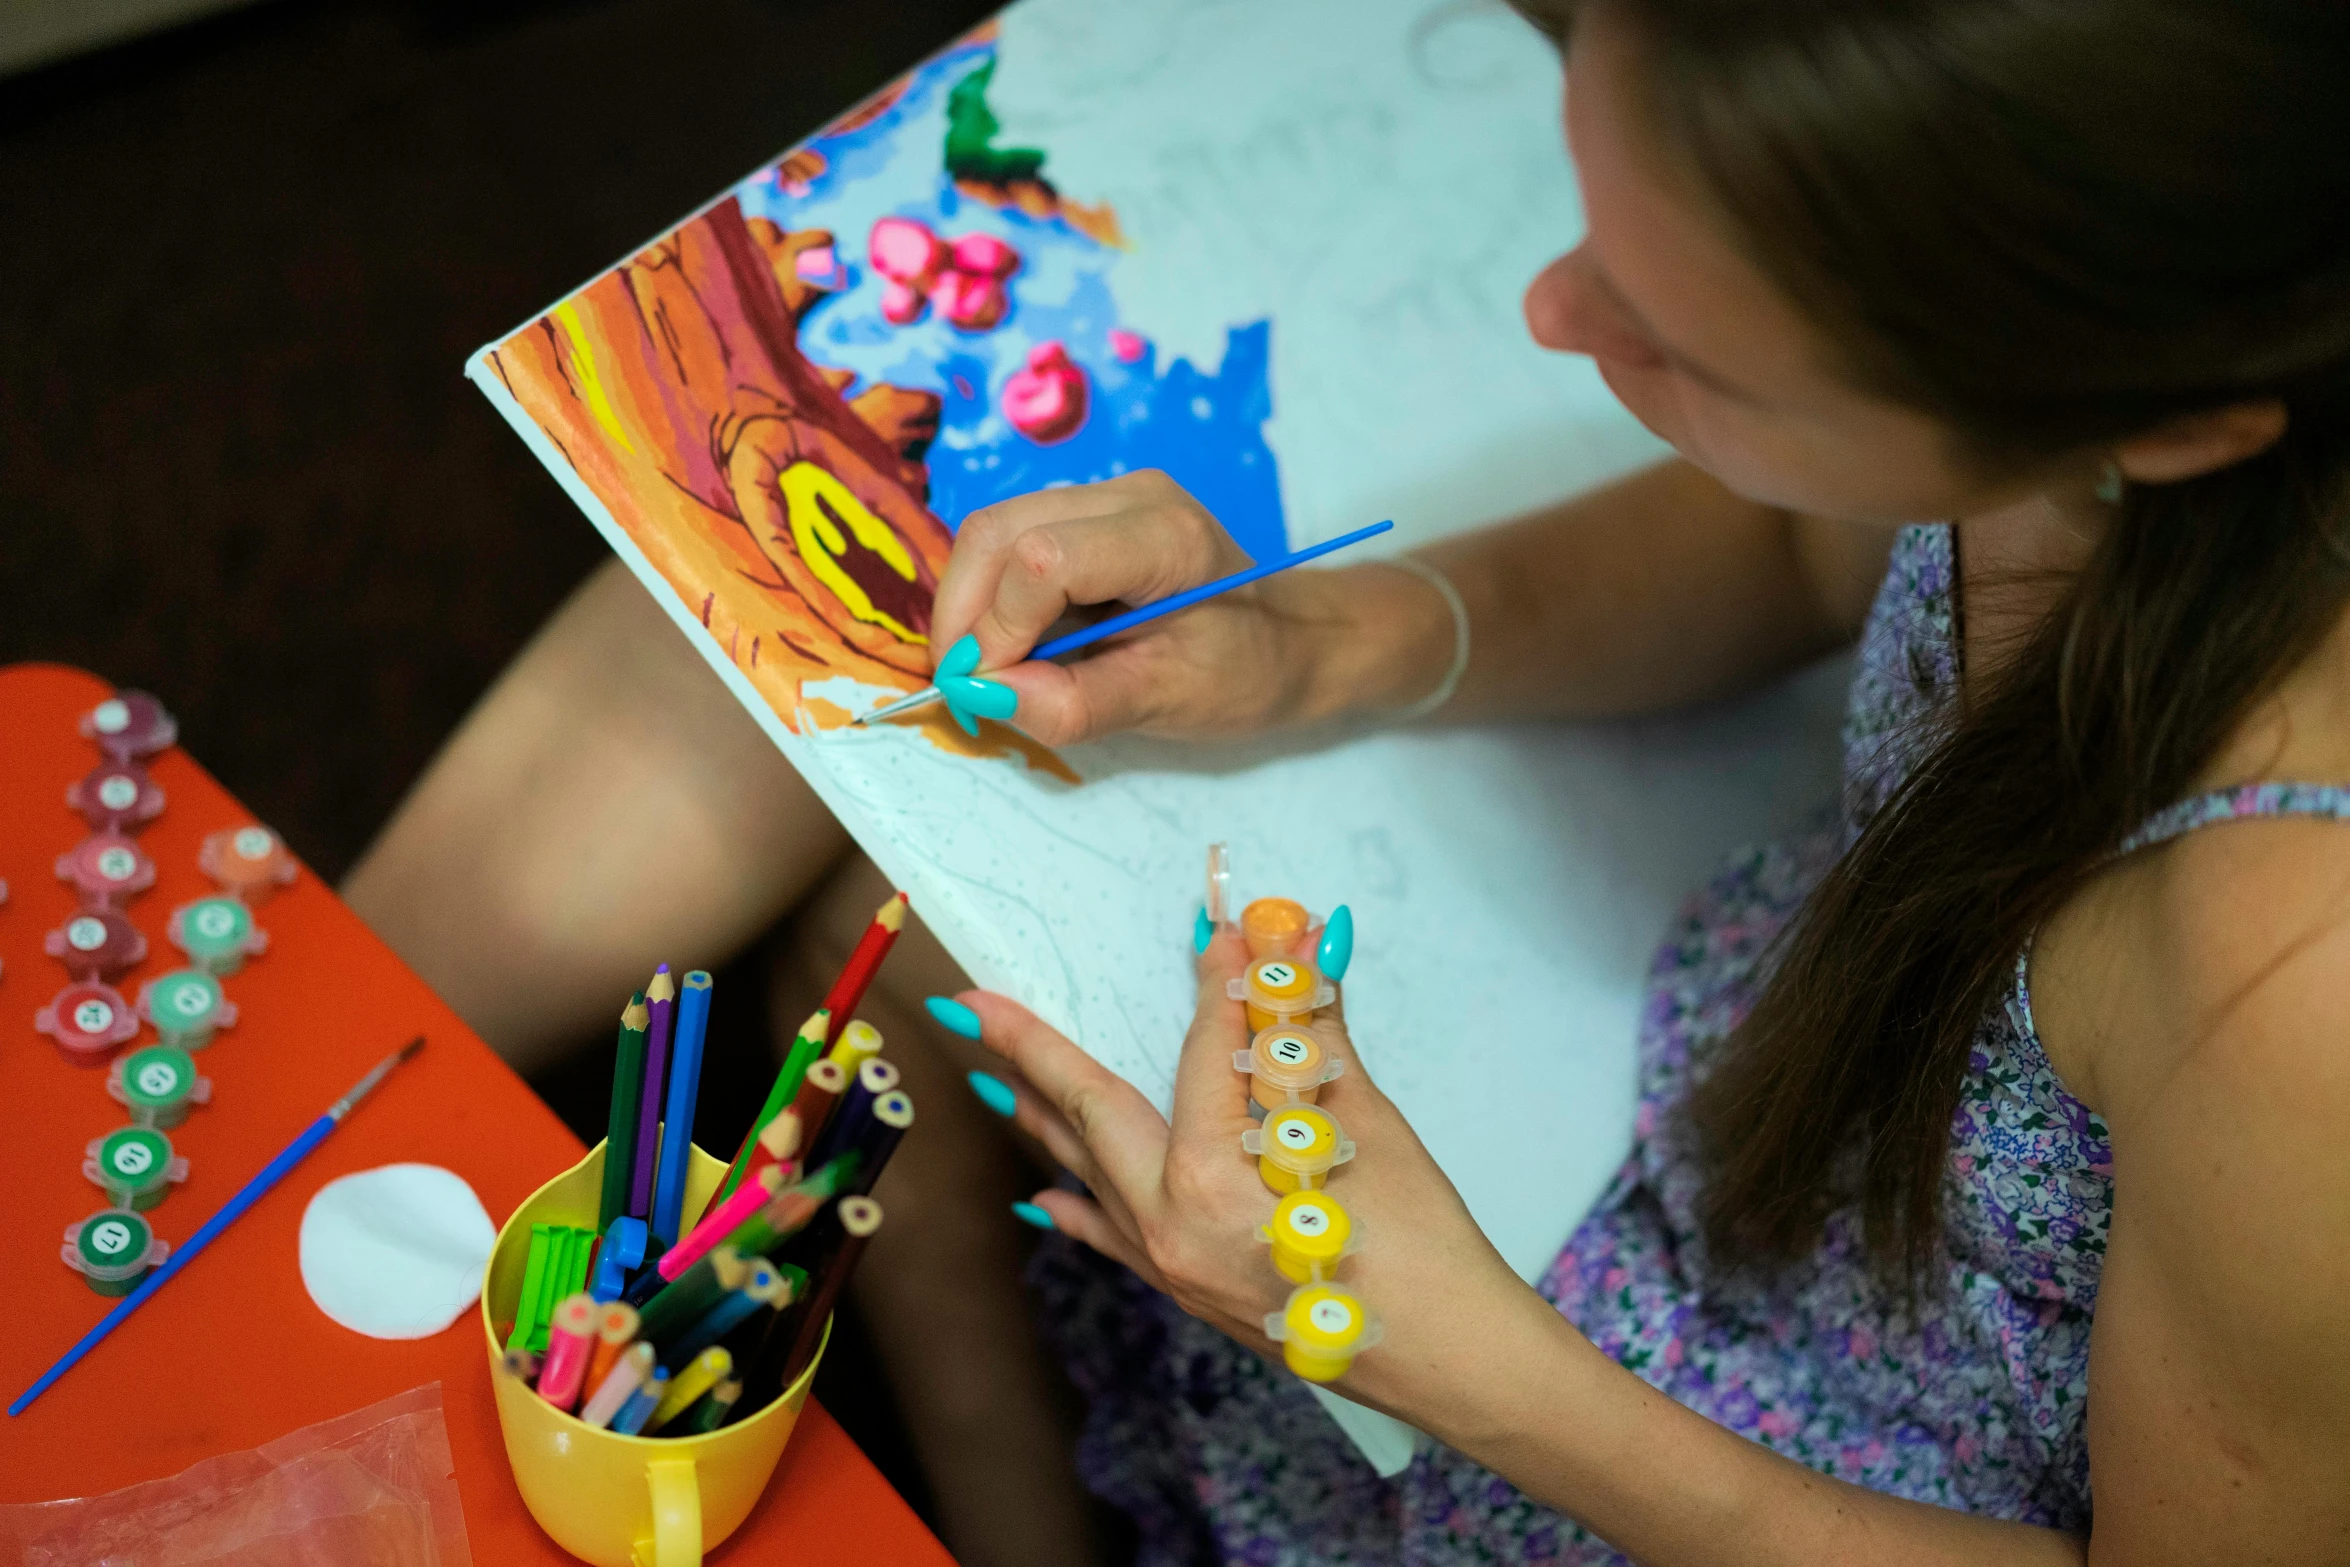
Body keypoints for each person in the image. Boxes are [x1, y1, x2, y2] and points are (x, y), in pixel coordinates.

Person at [348, 0, 2350, 1559]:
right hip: (1719, 1101)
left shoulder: (2294, 991)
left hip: (1692, 1441)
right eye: (1599, 231)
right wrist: (1327, 634)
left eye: (1696, 352)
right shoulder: (2094, 388)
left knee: (877, 981)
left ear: (2167, 423)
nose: (1552, 323)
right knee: (839, 757)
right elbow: (1806, 544)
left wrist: (1457, 1366)